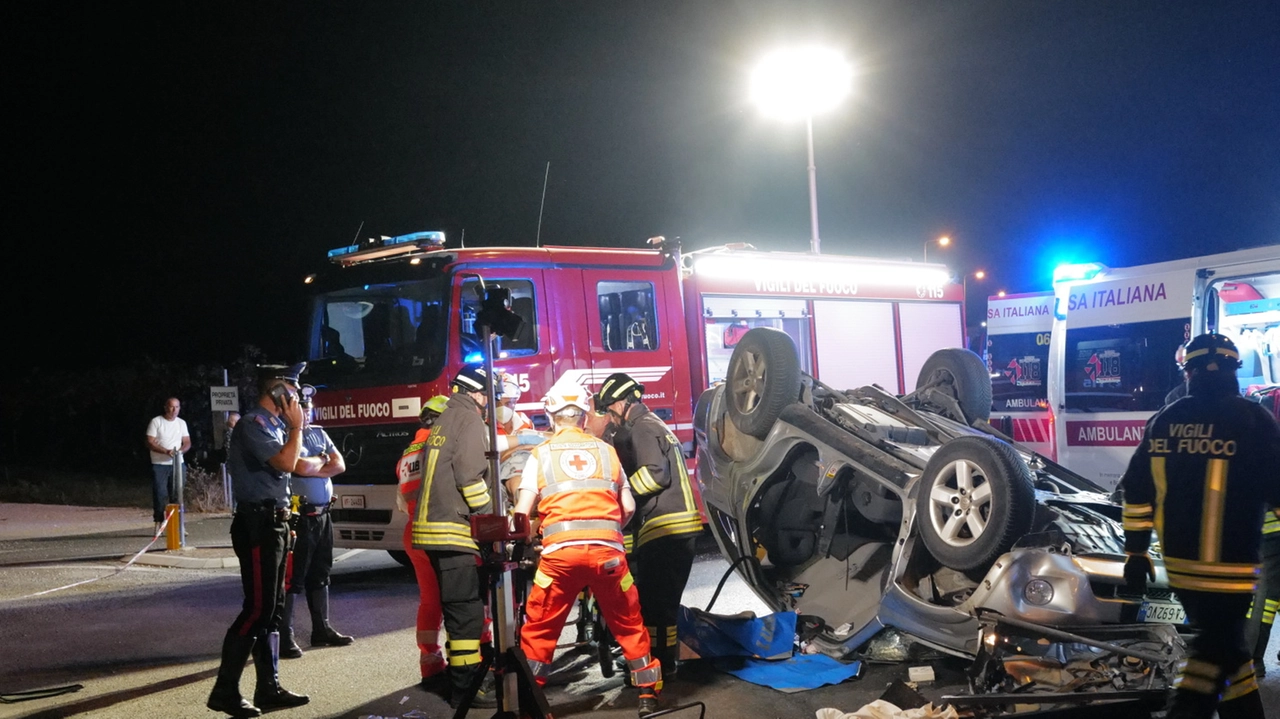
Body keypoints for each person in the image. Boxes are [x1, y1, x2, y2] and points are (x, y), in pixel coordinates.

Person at [1119, 333, 1280, 719]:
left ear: (1187, 371)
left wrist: (1136, 551)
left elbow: (1137, 491)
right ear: (1233, 370)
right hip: (1232, 567)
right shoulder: (1253, 419)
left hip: (1182, 568)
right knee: (1214, 655)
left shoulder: (1164, 420)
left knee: (1230, 655)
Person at [513, 377, 662, 716]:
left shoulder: (540, 454)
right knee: (627, 620)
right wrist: (607, 532)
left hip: (559, 558)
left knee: (540, 627)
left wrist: (532, 537)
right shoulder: (605, 451)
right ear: (584, 416)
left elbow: (522, 513)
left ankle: (530, 702)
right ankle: (648, 695)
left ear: (550, 416)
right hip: (608, 555)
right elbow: (627, 508)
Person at [207, 364, 311, 718]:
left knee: (273, 610)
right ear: (279, 392)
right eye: (293, 392)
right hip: (257, 525)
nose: (297, 399)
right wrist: (297, 427)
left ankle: (269, 687)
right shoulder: (253, 424)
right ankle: (225, 691)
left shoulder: (276, 426)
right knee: (256, 610)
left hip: (276, 523)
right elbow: (285, 464)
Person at [593, 372, 702, 682]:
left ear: (619, 402)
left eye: (608, 408)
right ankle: (664, 664)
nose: (609, 416)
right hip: (675, 530)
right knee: (661, 607)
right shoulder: (653, 423)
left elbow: (655, 475)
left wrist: (619, 493)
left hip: (666, 530)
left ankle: (658, 667)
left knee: (656, 607)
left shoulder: (642, 427)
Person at [409, 365, 497, 708]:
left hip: (433, 533)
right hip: (453, 531)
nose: (488, 403)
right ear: (477, 393)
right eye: (487, 396)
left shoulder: (444, 418)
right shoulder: (470, 421)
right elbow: (471, 479)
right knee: (466, 614)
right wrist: (490, 519)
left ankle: (463, 681)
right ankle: (469, 687)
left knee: (456, 609)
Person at [279, 384, 354, 659]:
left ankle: (321, 629)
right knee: (293, 578)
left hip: (323, 514)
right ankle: (285, 636)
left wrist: (317, 464)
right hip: (301, 516)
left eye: (310, 411)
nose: (308, 416)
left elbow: (340, 465)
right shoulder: (287, 436)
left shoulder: (319, 433)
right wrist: (321, 460)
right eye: (303, 411)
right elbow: (298, 466)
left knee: (321, 574)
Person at [396, 394, 451, 689]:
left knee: (430, 601)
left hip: (414, 531)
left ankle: (430, 663)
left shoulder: (408, 451)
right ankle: (471, 662)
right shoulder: (440, 444)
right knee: (462, 597)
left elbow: (402, 501)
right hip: (442, 530)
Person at [145, 397, 191, 535]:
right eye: (171, 407)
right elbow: (150, 442)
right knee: (160, 494)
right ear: (166, 407)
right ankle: (159, 522)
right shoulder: (156, 422)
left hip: (178, 463)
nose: (174, 410)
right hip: (160, 464)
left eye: (177, 407)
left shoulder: (181, 423)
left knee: (177, 494)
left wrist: (181, 451)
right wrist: (166, 451)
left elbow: (187, 441)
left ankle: (178, 525)